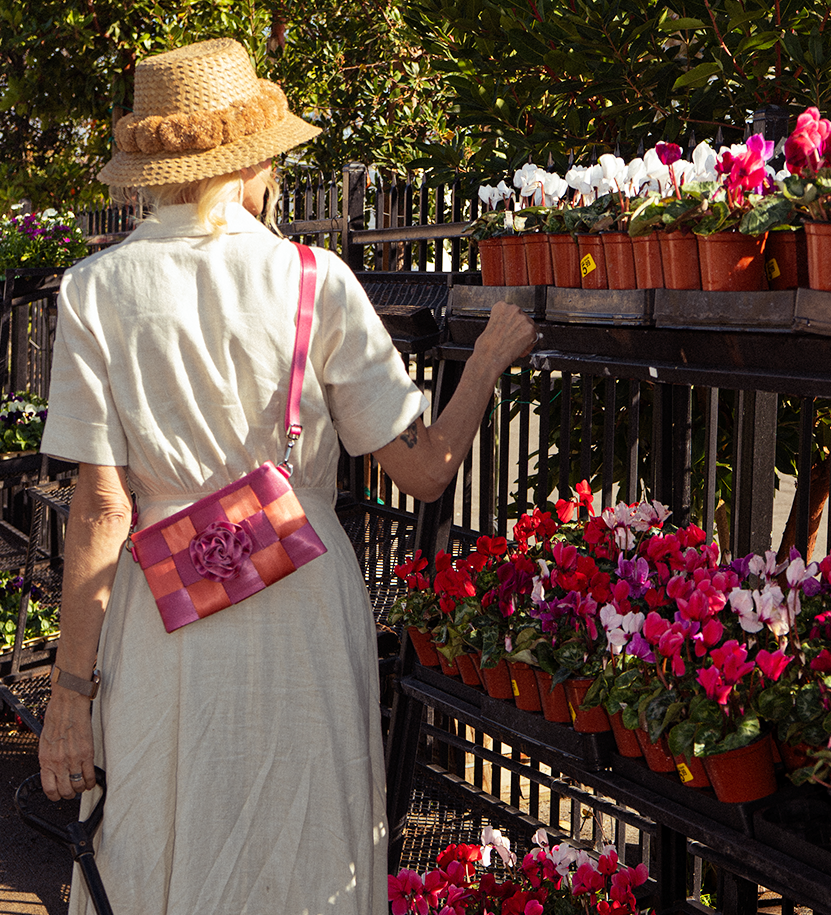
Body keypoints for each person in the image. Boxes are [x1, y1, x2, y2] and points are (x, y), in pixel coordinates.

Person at [37, 37, 536, 915]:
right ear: (254, 160)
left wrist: (70, 694)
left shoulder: (95, 289)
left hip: (163, 615)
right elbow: (424, 471)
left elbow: (101, 510)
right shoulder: (314, 280)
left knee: (158, 837)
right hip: (303, 602)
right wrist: (487, 360)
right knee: (303, 845)